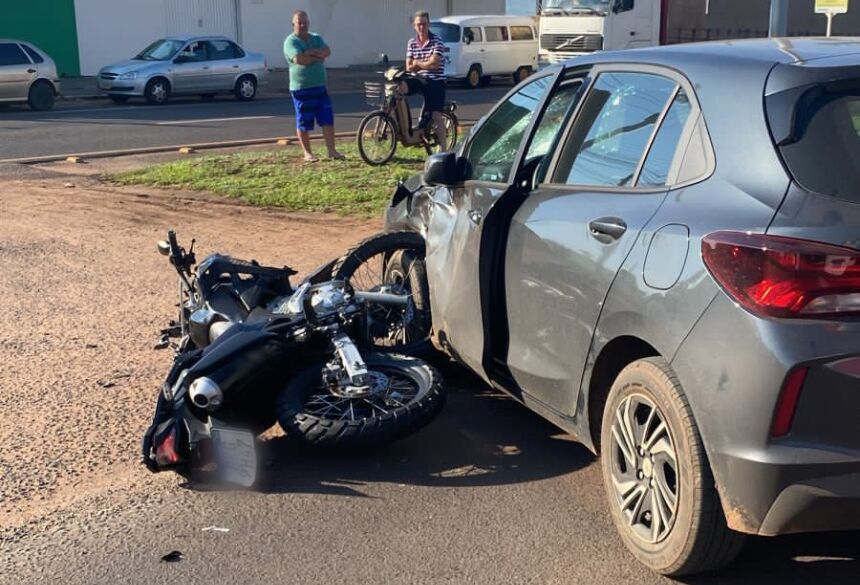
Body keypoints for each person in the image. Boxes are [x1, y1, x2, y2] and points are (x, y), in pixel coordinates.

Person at [283, 10, 344, 162]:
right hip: (301, 88)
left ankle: (332, 150)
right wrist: (316, 56)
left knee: (327, 119)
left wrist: (310, 54)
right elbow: (298, 59)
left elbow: (327, 51)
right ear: (293, 25)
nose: (303, 25)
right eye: (299, 23)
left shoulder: (316, 38)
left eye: (305, 22)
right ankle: (308, 153)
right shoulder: (291, 41)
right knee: (304, 121)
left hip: (320, 86)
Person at [405, 10, 447, 148]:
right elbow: (408, 66)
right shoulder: (412, 42)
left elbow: (435, 65)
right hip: (419, 79)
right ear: (414, 26)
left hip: (435, 81)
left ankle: (444, 149)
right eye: (418, 25)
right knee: (398, 89)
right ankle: (404, 127)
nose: (421, 27)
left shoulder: (437, 41)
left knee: (436, 115)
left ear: (428, 24)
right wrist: (423, 64)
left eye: (424, 24)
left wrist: (417, 63)